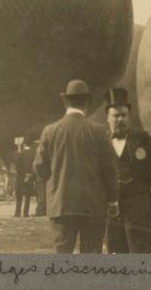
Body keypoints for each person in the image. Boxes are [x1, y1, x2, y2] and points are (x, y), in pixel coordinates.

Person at [33, 79, 118, 253]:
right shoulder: (99, 131)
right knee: (91, 257)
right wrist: (113, 200)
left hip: (61, 205)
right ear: (87, 102)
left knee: (63, 258)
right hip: (93, 206)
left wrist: (56, 180)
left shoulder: (50, 131)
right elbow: (110, 169)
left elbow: (39, 167)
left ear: (65, 101)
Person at [104, 88, 151, 253]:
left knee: (140, 254)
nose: (120, 119)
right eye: (116, 116)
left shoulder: (142, 137)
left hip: (138, 207)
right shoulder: (101, 140)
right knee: (115, 254)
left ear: (129, 116)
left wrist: (142, 185)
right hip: (111, 210)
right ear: (108, 118)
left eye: (124, 115)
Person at [13, 139, 36, 217]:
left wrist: (24, 175)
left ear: (24, 144)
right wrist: (29, 175)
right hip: (30, 177)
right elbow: (35, 166)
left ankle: (17, 213)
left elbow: (17, 167)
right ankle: (26, 213)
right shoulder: (34, 154)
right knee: (27, 196)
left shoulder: (20, 154)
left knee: (19, 196)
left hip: (20, 177)